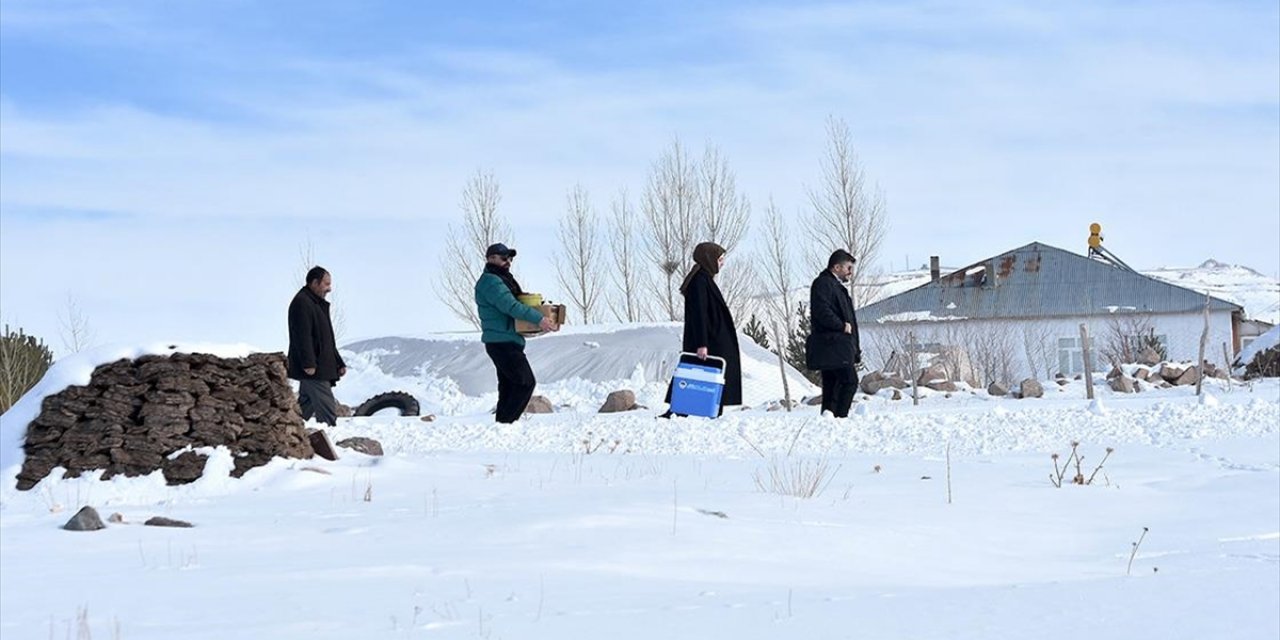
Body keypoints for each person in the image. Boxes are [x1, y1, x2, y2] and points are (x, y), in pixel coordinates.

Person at [475, 243, 558, 423]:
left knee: (509, 387)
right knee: (525, 383)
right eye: (504, 258)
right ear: (491, 258)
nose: (508, 262)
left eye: (510, 258)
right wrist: (540, 319)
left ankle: (501, 427)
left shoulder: (501, 280)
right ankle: (507, 423)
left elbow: (515, 305)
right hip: (501, 342)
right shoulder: (491, 281)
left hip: (506, 340)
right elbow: (511, 306)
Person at [660, 242, 743, 417]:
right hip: (710, 340)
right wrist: (702, 343)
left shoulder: (703, 278)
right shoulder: (700, 281)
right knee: (699, 375)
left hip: (712, 338)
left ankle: (703, 409)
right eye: (720, 259)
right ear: (709, 259)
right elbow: (700, 314)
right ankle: (686, 410)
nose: (722, 263)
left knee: (708, 375)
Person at [287, 266, 347, 426]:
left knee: (304, 405)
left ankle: (289, 432)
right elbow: (302, 336)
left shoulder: (316, 304)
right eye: (326, 284)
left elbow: (326, 339)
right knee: (326, 406)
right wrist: (308, 363)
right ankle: (330, 438)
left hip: (320, 364)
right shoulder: (302, 303)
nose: (329, 289)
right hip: (315, 367)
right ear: (314, 283)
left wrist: (338, 362)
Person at [806, 249, 862, 418]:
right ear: (837, 267)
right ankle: (840, 418)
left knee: (832, 385)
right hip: (833, 344)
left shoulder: (835, 286)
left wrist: (855, 349)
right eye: (848, 268)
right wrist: (841, 326)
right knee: (849, 381)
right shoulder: (824, 284)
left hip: (836, 345)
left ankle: (829, 419)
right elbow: (821, 311)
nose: (850, 273)